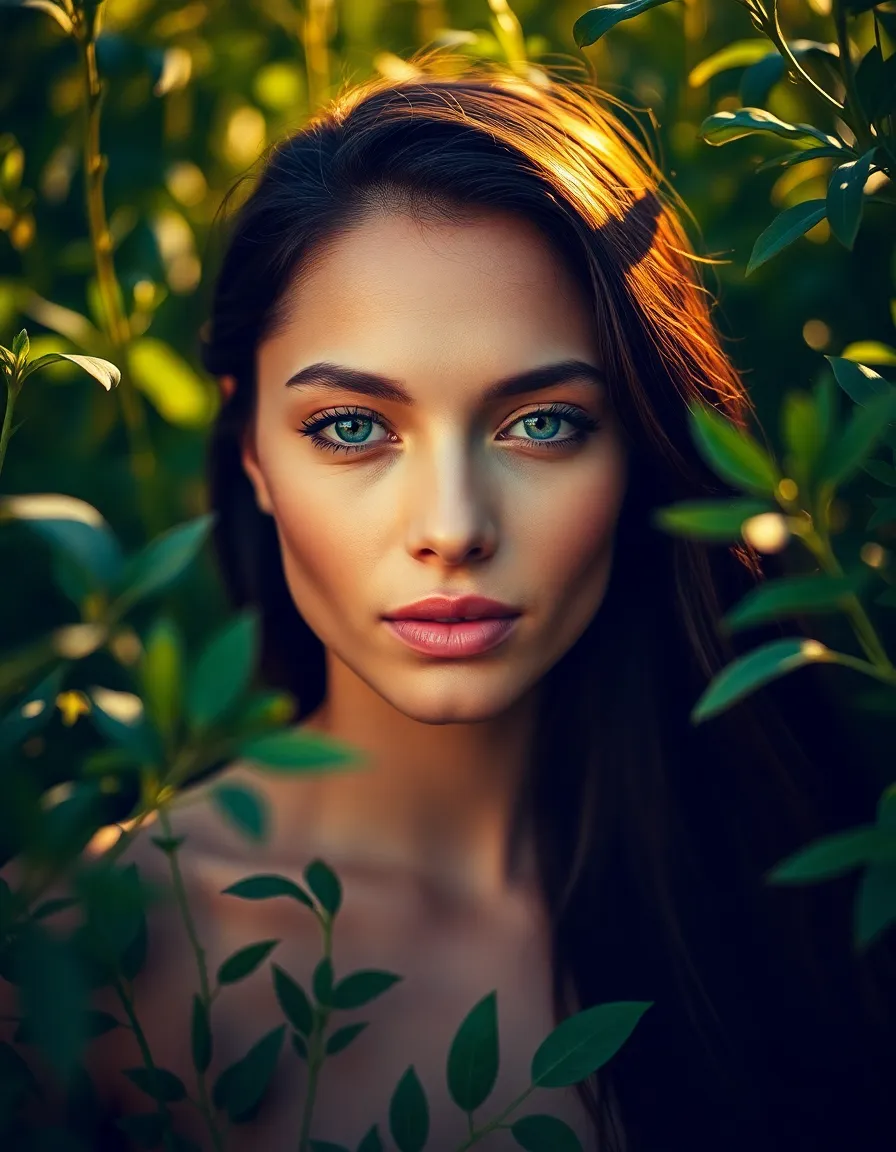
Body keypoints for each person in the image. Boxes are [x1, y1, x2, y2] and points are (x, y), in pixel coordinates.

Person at [9, 53, 895, 1152]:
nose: (452, 526)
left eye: (542, 423)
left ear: (644, 447)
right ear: (248, 449)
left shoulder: (824, 879)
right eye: (349, 427)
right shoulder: (72, 963)